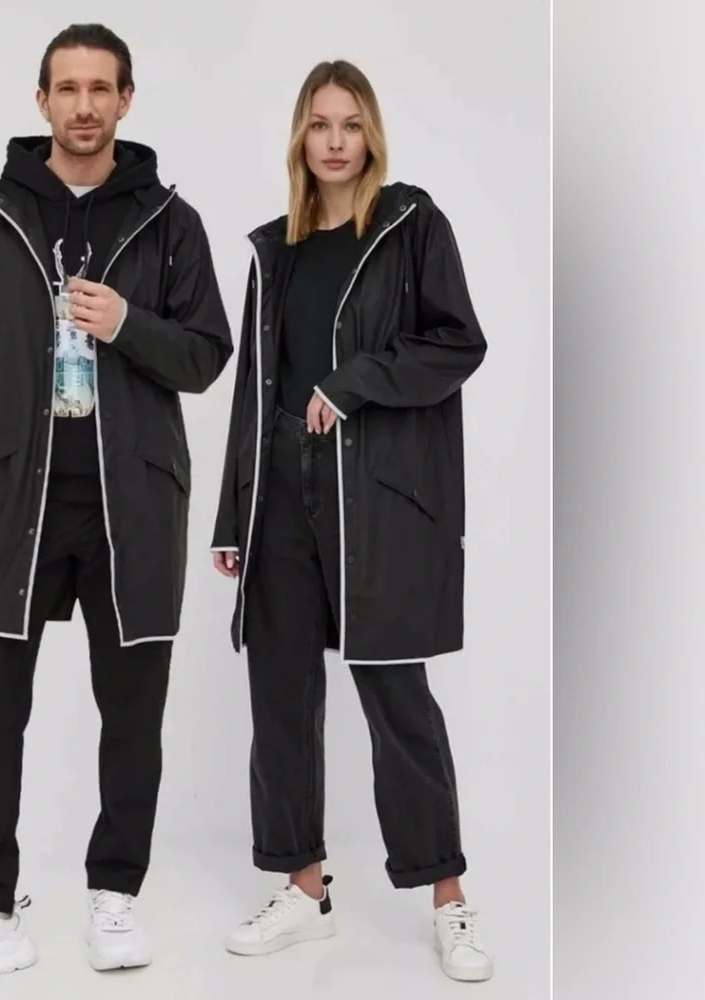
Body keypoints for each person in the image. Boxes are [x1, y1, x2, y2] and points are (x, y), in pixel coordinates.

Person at [0, 23, 232, 992]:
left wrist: (127, 324)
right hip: (13, 502)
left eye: (101, 88)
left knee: (133, 712)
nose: (84, 105)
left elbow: (207, 356)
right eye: (67, 88)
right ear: (41, 100)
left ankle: (114, 894)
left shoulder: (169, 220)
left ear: (127, 100)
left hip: (135, 506)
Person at [210, 60, 493, 983]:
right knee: (281, 694)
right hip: (281, 491)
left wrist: (353, 382)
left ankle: (448, 899)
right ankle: (304, 889)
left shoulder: (410, 227)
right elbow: (254, 392)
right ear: (300, 136)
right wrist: (233, 514)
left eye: (351, 124)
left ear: (372, 135)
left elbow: (457, 342)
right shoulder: (277, 250)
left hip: (372, 496)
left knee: (395, 693)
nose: (335, 141)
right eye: (320, 124)